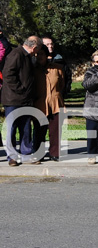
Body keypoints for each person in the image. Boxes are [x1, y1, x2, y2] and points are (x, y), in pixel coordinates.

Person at [2, 35, 41, 165]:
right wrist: (21, 90)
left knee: (25, 128)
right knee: (11, 128)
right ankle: (12, 156)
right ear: (34, 47)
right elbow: (8, 74)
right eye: (38, 49)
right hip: (13, 99)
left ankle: (26, 154)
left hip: (25, 99)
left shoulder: (28, 57)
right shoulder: (16, 54)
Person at [33, 43, 66, 162]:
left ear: (46, 55)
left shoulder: (57, 68)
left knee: (55, 130)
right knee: (39, 130)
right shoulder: (33, 70)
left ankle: (55, 153)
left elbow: (62, 84)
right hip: (39, 104)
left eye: (41, 54)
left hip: (56, 102)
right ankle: (38, 153)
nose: (39, 56)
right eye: (37, 54)